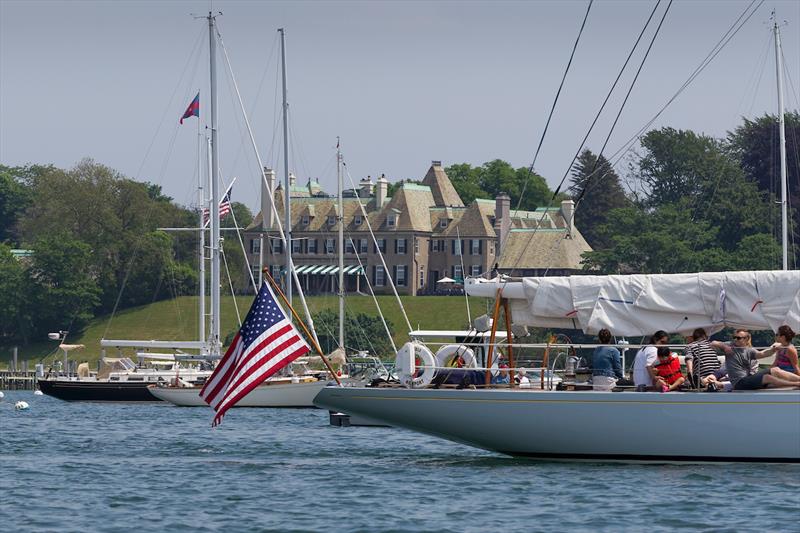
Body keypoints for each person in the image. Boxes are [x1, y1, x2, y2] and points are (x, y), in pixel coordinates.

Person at [711, 329, 800, 390]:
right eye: (734, 337)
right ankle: (796, 384)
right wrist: (723, 346)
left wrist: (773, 350)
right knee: (767, 377)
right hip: (738, 383)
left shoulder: (749, 350)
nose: (735, 340)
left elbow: (762, 354)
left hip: (747, 379)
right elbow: (713, 343)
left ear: (746, 339)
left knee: (775, 369)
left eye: (738, 338)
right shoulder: (730, 345)